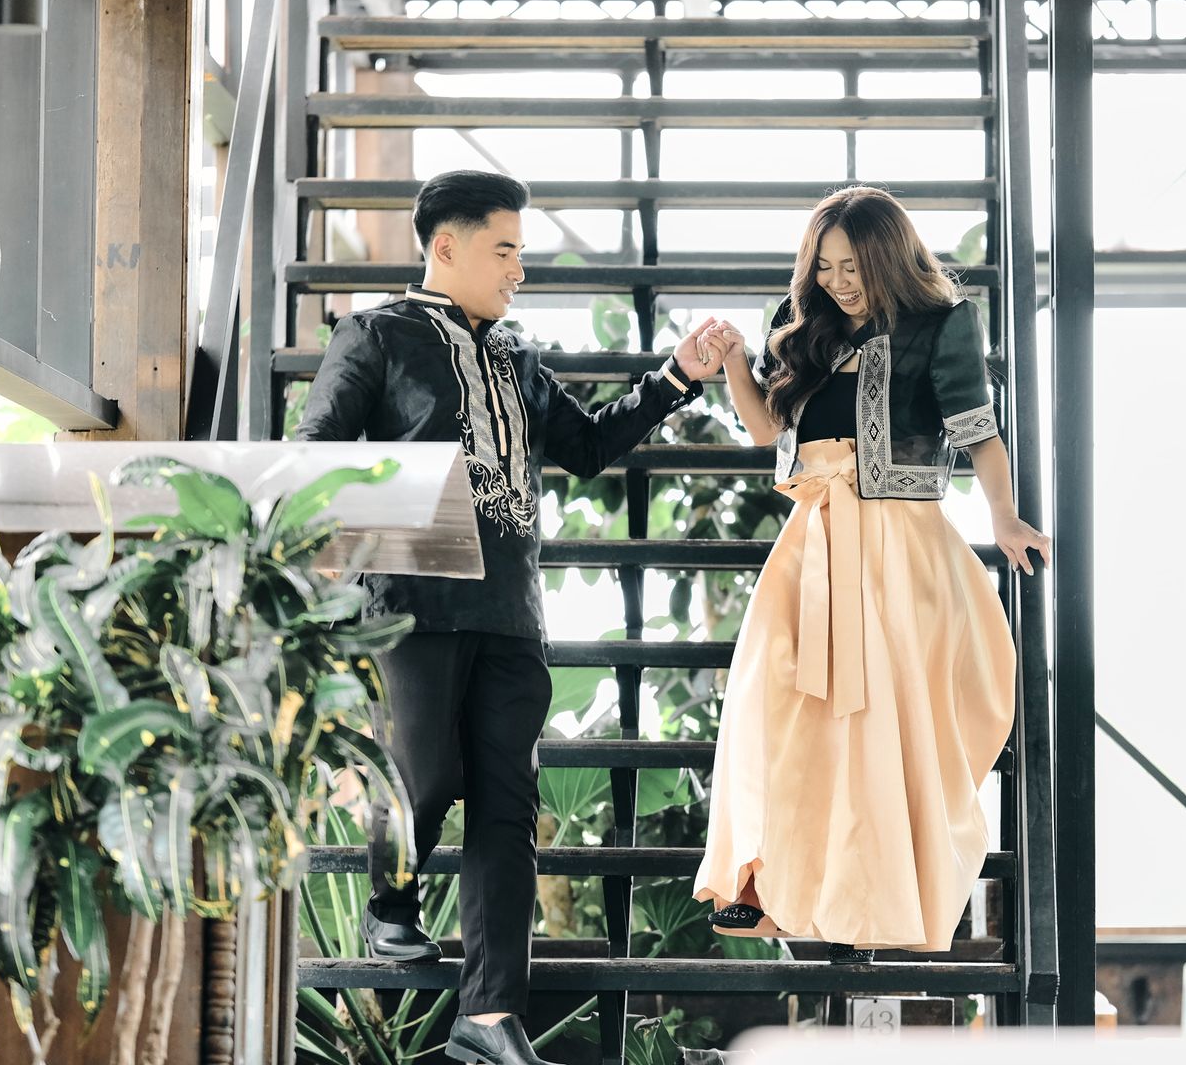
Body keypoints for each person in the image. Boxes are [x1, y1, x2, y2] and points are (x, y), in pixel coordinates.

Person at [295, 170, 732, 1065]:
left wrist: (675, 378)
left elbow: (586, 445)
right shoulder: (374, 335)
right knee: (419, 779)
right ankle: (390, 905)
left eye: (521, 253)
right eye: (505, 251)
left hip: (511, 614)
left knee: (507, 809)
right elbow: (317, 456)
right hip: (410, 607)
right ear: (445, 246)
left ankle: (489, 1014)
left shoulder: (517, 357)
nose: (518, 270)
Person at [692, 185, 1051, 962]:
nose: (838, 282)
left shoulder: (942, 323)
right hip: (812, 541)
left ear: (887, 255)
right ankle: (764, 885)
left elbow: (979, 434)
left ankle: (880, 895)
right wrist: (734, 364)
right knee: (770, 702)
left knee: (877, 729)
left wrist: (1003, 517)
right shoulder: (802, 326)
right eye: (824, 267)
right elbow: (765, 428)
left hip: (899, 546)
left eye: (852, 266)